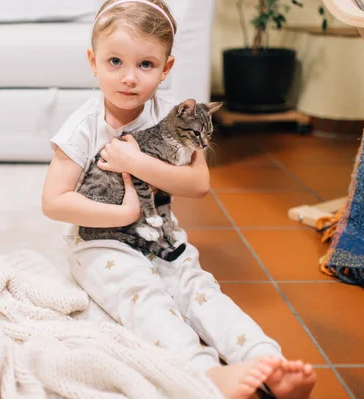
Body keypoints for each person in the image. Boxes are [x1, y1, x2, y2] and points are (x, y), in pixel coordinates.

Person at [41, 0, 317, 398]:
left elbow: (198, 183)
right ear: (93, 61)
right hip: (101, 241)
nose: (130, 78)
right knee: (145, 298)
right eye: (115, 61)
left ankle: (261, 357)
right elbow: (53, 201)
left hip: (161, 237)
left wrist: (135, 161)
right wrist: (124, 211)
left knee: (197, 287)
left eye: (146, 65)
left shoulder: (177, 114)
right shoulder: (83, 127)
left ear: (166, 68)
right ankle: (202, 372)